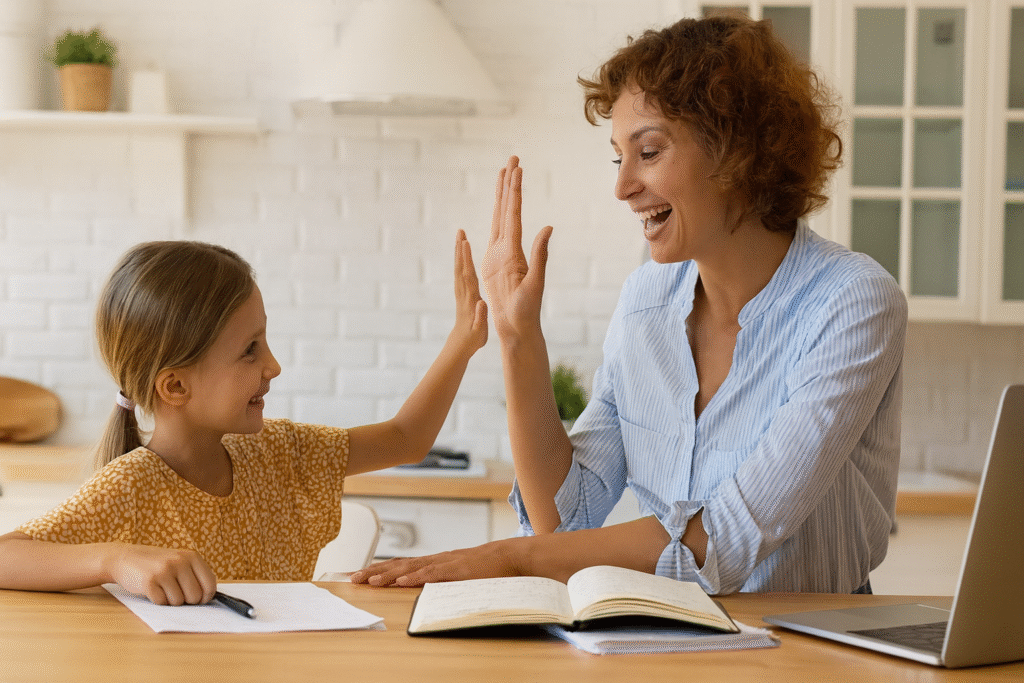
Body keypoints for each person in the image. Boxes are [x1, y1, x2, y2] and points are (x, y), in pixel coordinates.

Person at [351, 14, 907, 595]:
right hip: (666, 638)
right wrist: (518, 339)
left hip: (810, 647)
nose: (623, 187)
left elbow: (725, 538)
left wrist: (509, 559)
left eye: (649, 151)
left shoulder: (852, 303)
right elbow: (566, 518)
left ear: (739, 152)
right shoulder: (648, 300)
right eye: (620, 158)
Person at [0, 233, 487, 606]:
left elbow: (406, 440)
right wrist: (113, 559)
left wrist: (463, 341)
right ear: (175, 387)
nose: (273, 366)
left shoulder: (279, 451)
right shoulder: (131, 487)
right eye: (250, 351)